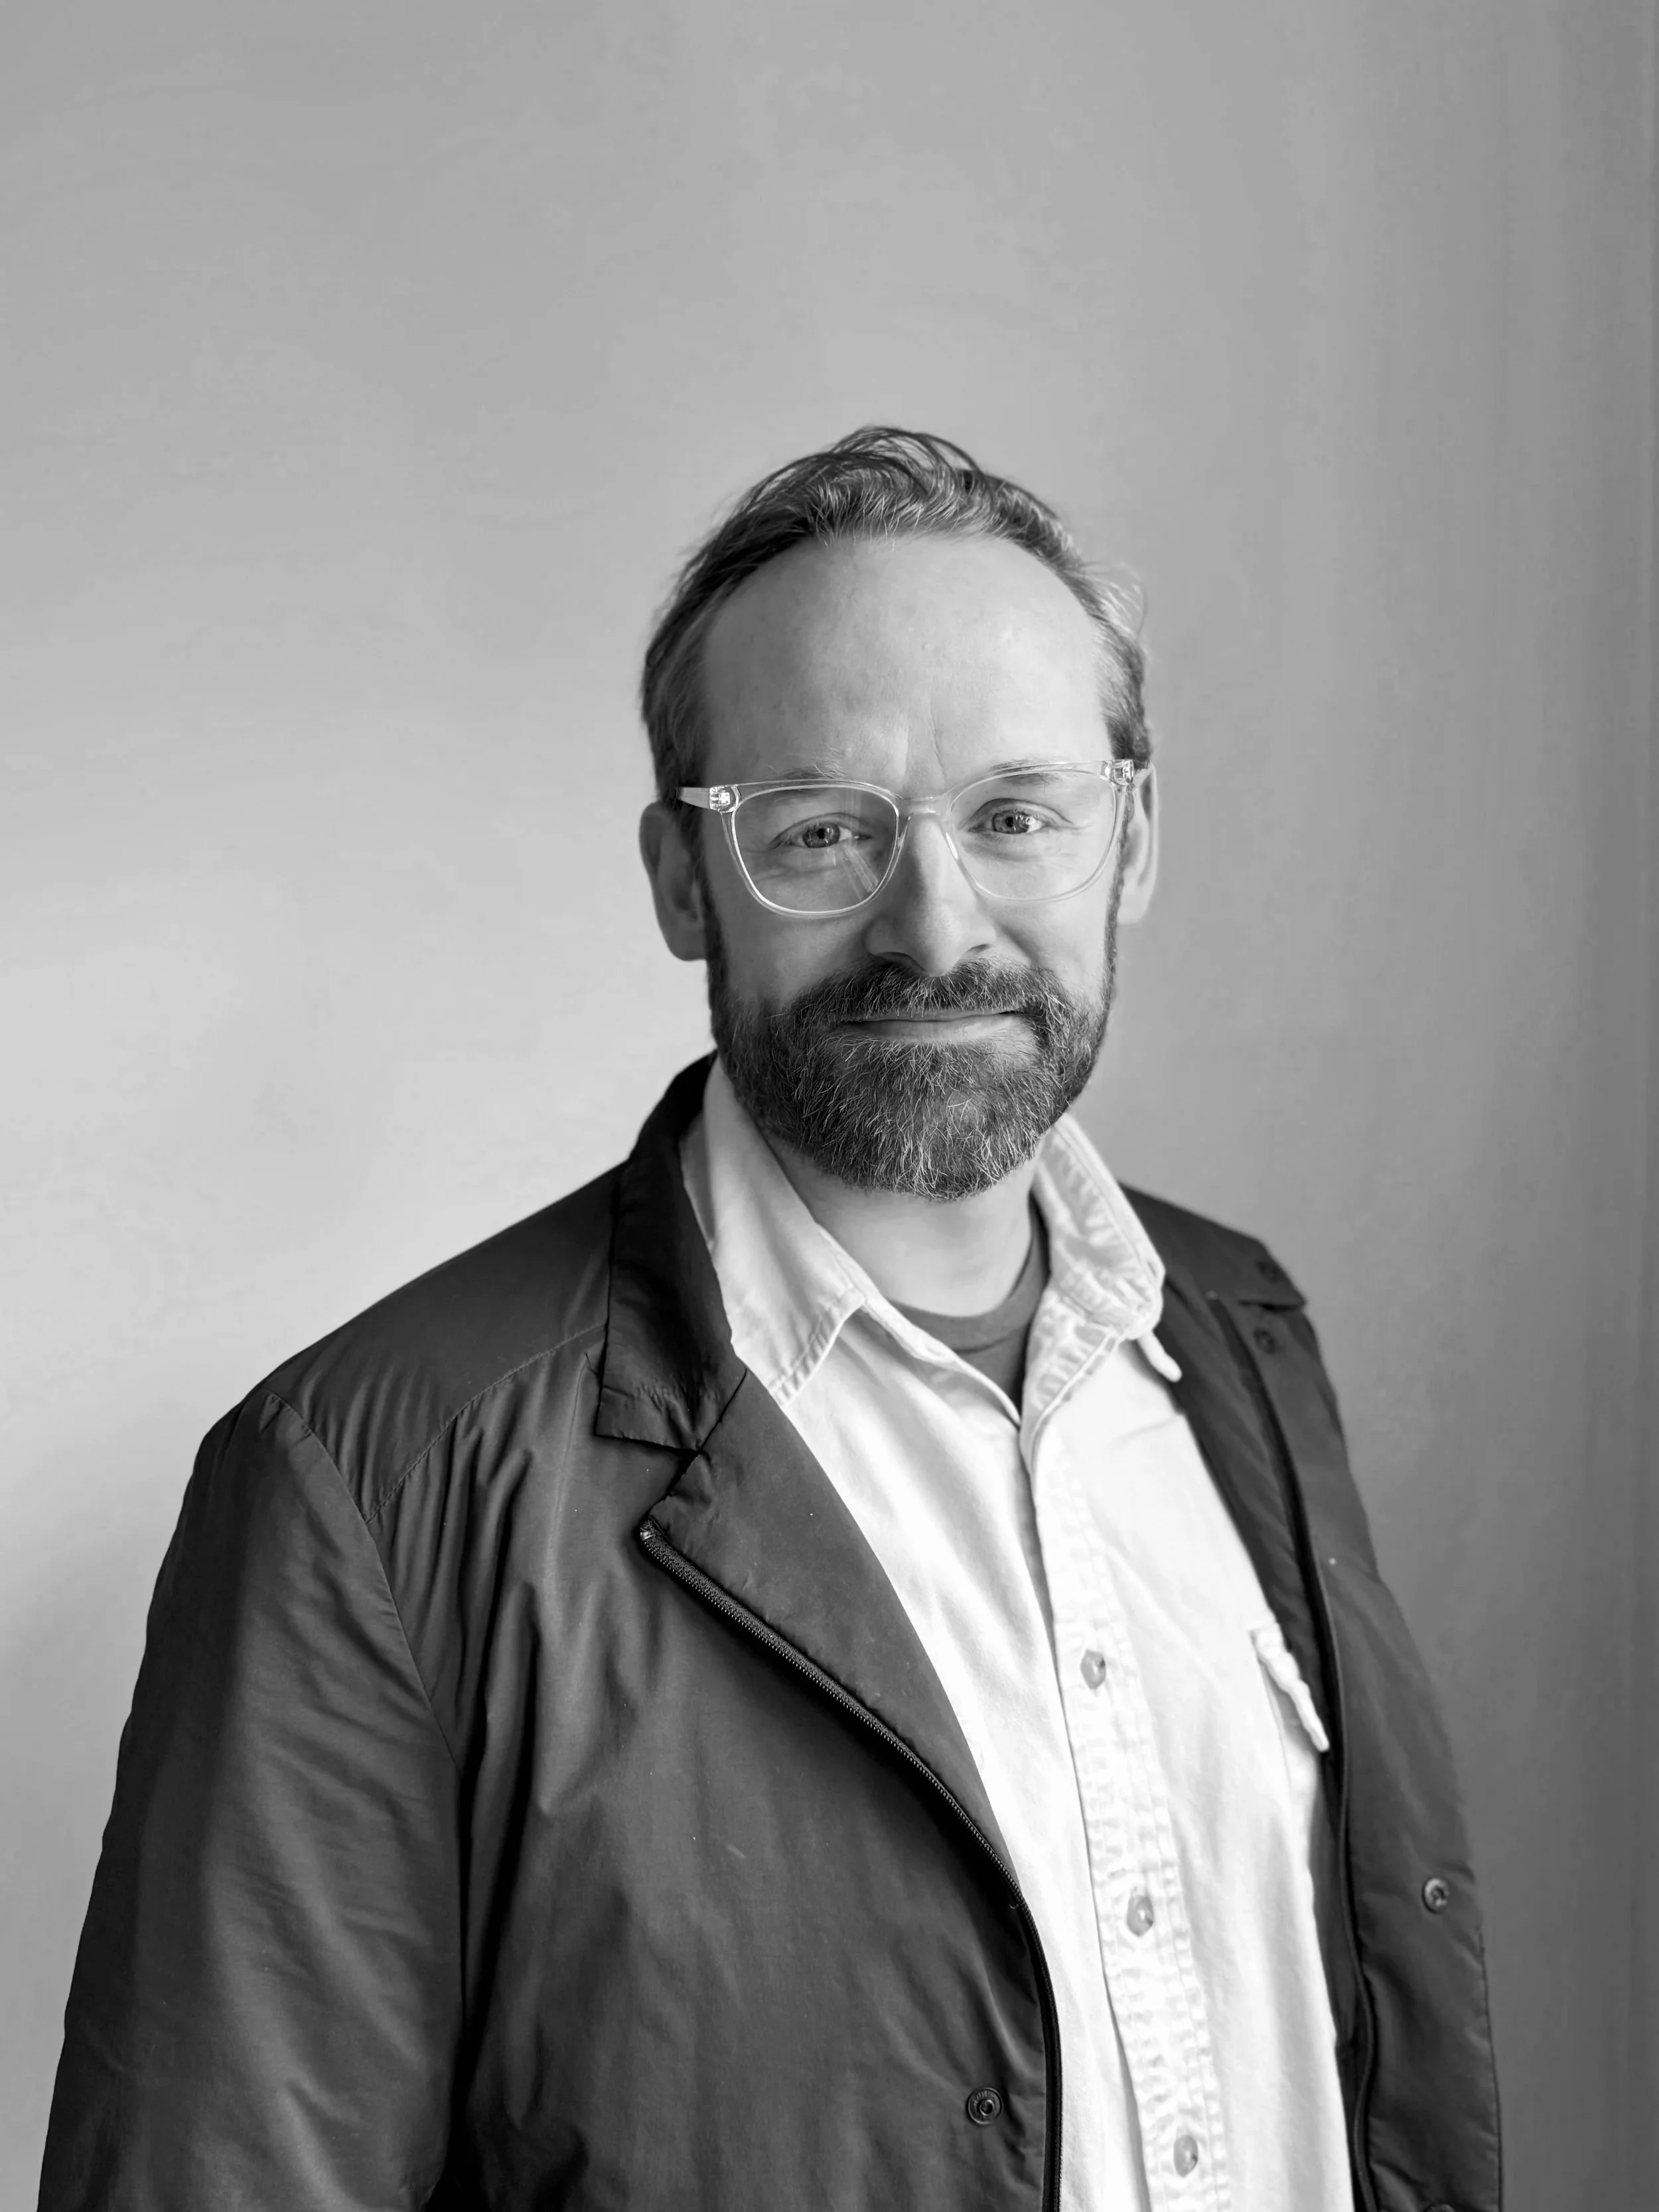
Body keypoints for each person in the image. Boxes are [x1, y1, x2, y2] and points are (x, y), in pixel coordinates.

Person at [39, 427, 1501, 2212]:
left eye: (1016, 812)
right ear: (679, 875)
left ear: (1129, 839)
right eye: (822, 830)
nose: (933, 919)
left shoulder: (1241, 1332)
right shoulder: (368, 1478)